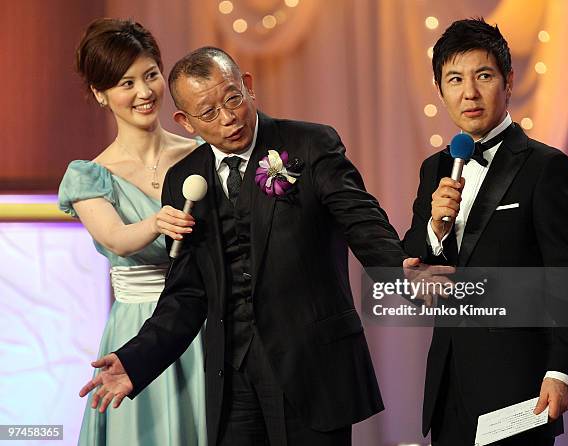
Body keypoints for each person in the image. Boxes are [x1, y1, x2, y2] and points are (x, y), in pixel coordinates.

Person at [77, 46, 421, 446]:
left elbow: (361, 220)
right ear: (185, 122)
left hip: (311, 365)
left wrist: (400, 270)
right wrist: (136, 360)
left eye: (233, 99)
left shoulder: (309, 144)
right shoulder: (184, 179)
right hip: (233, 376)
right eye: (208, 113)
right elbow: (187, 292)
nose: (228, 119)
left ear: (248, 87)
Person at [402, 18, 568, 446]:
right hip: (448, 386)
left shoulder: (546, 168)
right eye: (454, 79)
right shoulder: (435, 169)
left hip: (520, 387)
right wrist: (434, 227)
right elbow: (412, 268)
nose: (468, 93)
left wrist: (562, 372)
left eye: (482, 76)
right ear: (440, 90)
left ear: (508, 81)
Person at [58, 18, 206, 446]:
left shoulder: (199, 153)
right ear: (100, 94)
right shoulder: (89, 176)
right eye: (125, 83)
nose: (144, 93)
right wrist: (157, 221)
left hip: (203, 321)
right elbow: (115, 238)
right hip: (138, 329)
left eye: (151, 75)